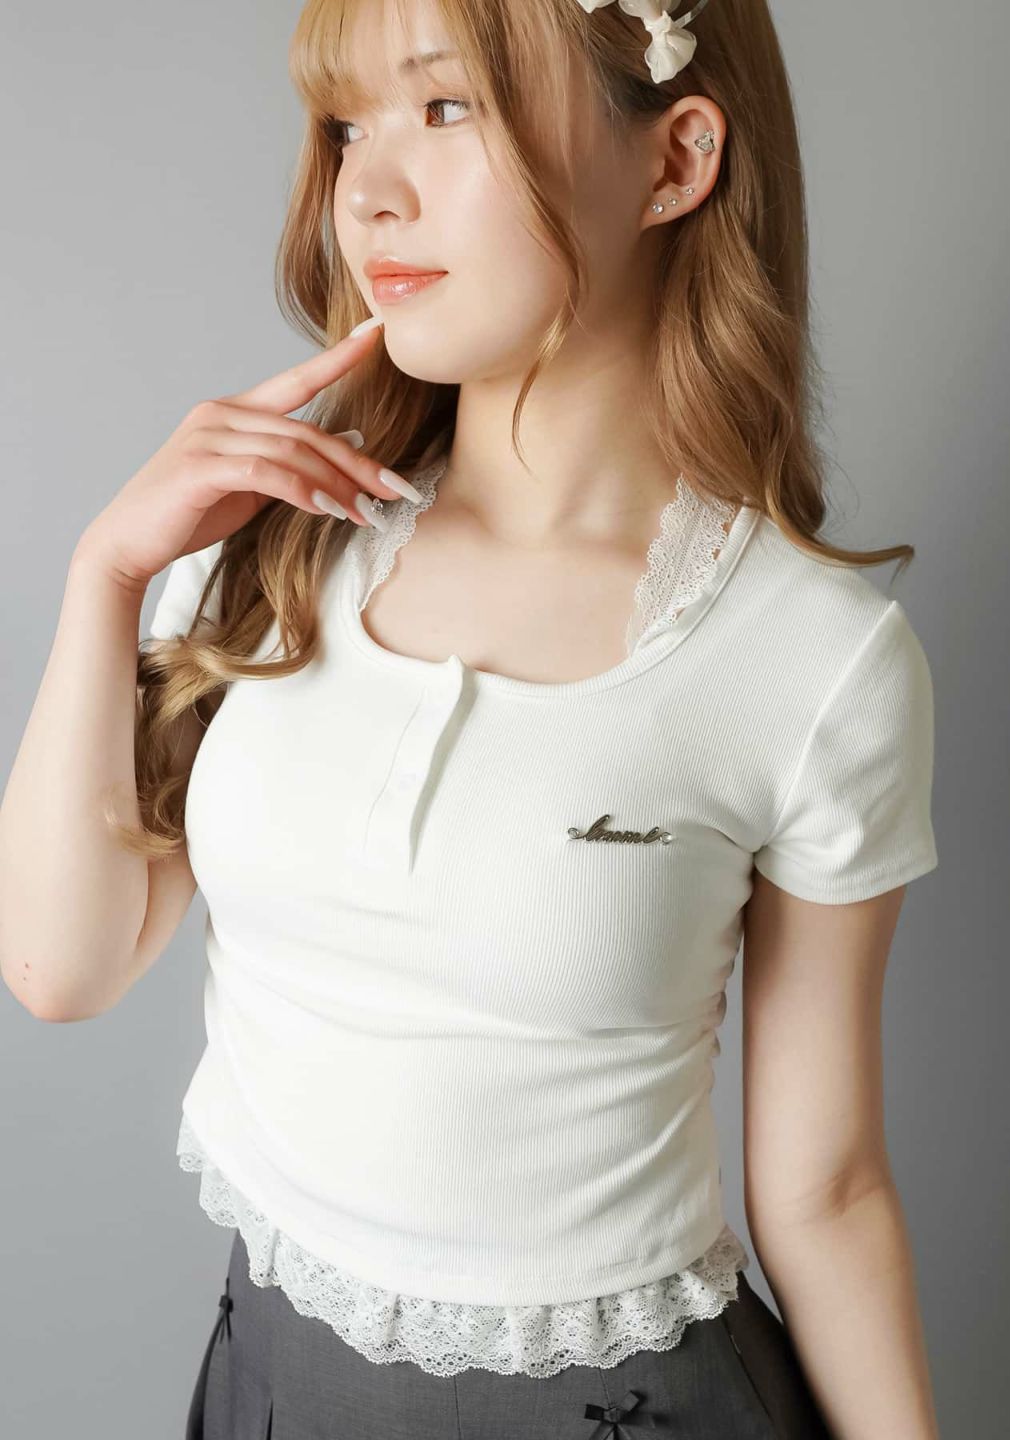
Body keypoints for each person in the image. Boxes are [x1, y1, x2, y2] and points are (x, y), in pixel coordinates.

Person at [0, 0, 943, 1435]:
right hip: (265, 1393)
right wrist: (104, 576)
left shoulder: (813, 660)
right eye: (346, 124)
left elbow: (825, 1189)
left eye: (447, 108)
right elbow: (59, 968)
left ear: (676, 159)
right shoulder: (269, 549)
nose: (367, 191)